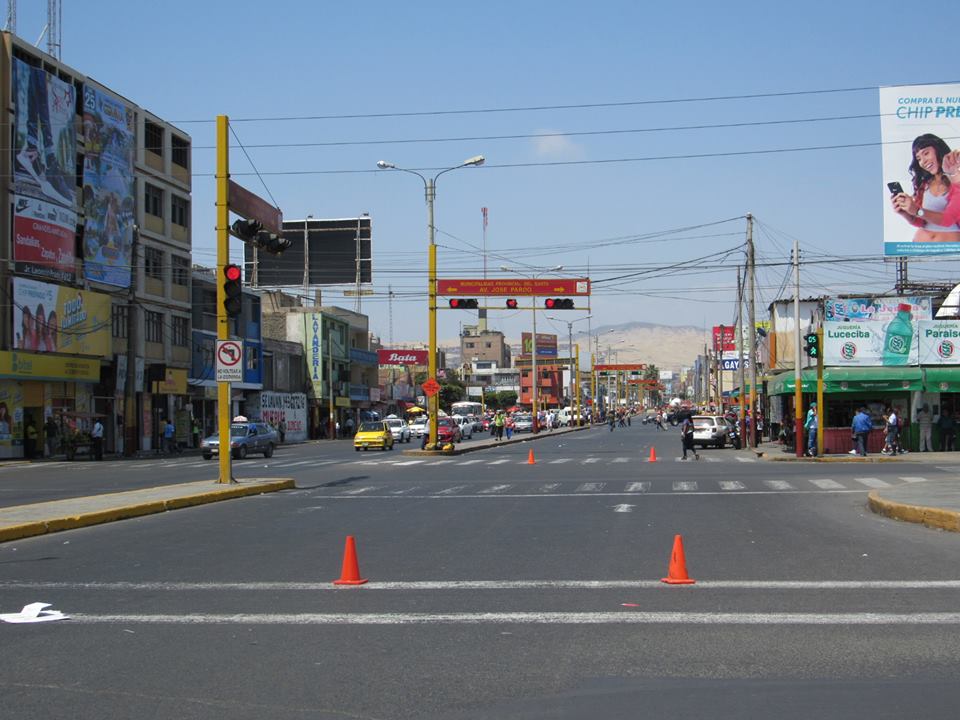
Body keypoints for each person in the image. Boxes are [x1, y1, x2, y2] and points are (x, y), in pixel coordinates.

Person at [891, 134, 960, 242]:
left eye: (926, 153)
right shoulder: (924, 185)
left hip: (949, 252)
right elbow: (921, 221)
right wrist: (906, 213)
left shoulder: (956, 180)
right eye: (919, 158)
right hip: (919, 249)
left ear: (938, 150)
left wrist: (917, 210)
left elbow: (949, 219)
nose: (923, 161)